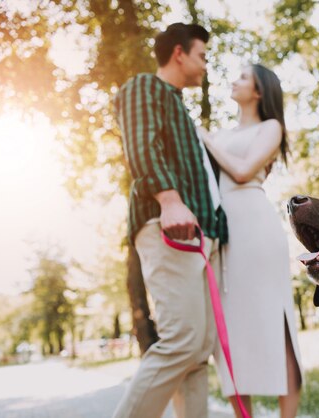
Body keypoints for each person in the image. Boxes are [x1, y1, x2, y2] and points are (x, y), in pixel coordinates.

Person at [111, 23, 228, 418]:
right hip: (170, 227)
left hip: (201, 234)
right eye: (202, 56)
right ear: (179, 53)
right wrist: (169, 199)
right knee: (182, 341)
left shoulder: (179, 105)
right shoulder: (144, 87)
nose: (205, 65)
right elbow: (141, 145)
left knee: (198, 349)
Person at [201, 64, 302, 418]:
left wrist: (207, 139)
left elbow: (243, 171)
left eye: (242, 77)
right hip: (222, 234)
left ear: (259, 91)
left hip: (257, 230)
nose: (234, 79)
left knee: (277, 323)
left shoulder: (270, 127)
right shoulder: (220, 133)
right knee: (228, 330)